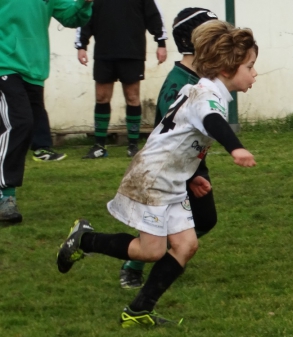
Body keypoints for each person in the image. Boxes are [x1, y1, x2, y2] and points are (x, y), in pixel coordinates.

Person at [56, 20, 258, 327]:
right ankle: (85, 240)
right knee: (150, 251)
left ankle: (138, 310)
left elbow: (175, 139)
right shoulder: (206, 98)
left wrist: (191, 175)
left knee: (187, 245)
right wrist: (236, 148)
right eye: (250, 66)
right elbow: (212, 122)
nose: (255, 73)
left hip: (172, 179)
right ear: (229, 69)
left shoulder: (203, 91)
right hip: (151, 181)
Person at [119, 7, 219, 290]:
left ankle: (171, 254)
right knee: (160, 225)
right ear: (194, 40)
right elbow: (173, 141)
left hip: (191, 163)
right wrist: (190, 176)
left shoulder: (203, 80)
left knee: (205, 219)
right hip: (168, 169)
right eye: (214, 36)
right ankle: (133, 264)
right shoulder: (178, 84)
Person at [0, 0, 92, 223]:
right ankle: (5, 196)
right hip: (4, 63)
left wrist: (85, 2)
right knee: (18, 123)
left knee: (26, 127)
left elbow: (71, 17)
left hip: (34, 68)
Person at [75, 0, 167, 159]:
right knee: (102, 96)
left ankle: (133, 145)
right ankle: (99, 146)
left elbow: (154, 16)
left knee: (132, 97)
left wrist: (161, 42)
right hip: (104, 52)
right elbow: (85, 15)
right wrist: (81, 45)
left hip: (132, 51)